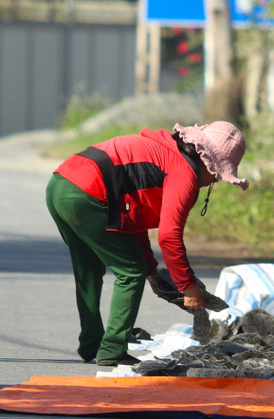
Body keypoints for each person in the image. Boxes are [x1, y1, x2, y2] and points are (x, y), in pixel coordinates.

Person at [46, 121, 249, 367]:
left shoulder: (166, 151)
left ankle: (91, 343)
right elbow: (169, 236)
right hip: (87, 193)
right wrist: (188, 287)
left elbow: (135, 221)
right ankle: (111, 350)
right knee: (131, 272)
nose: (213, 181)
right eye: (217, 174)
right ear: (207, 161)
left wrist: (153, 272)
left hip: (60, 185)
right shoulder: (184, 173)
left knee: (89, 269)